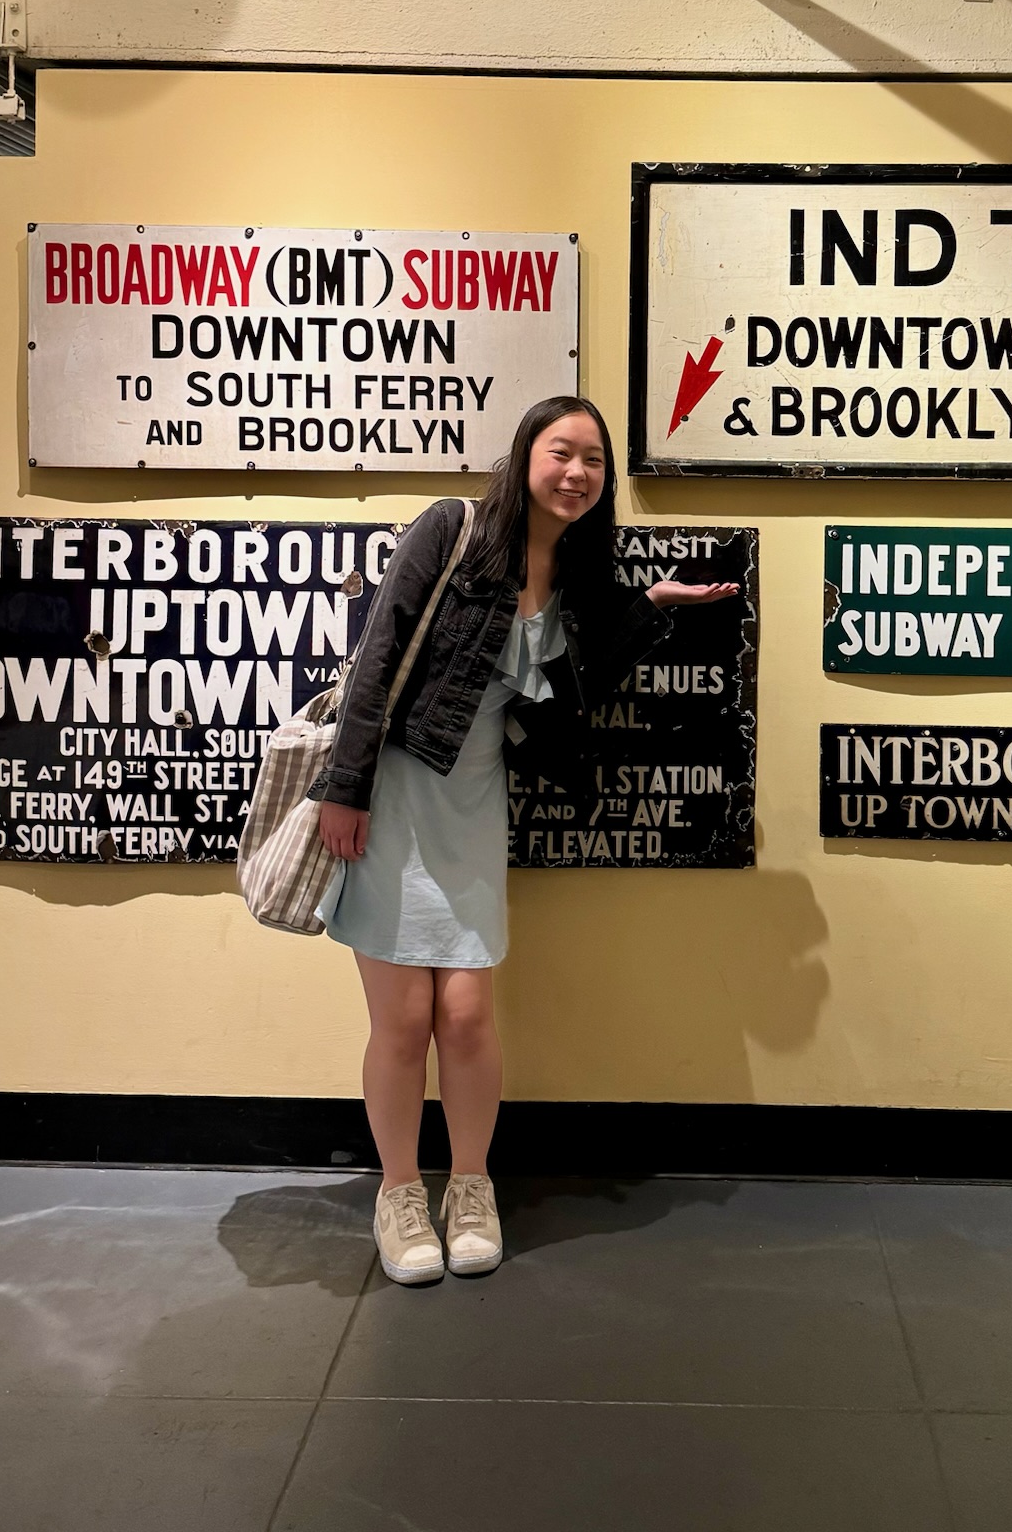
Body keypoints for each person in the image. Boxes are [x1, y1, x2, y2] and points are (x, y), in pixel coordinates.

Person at [310, 395, 738, 1286]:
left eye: (593, 461)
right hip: (391, 801)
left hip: (473, 812)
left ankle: (471, 1186)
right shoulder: (453, 529)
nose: (576, 473)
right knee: (402, 1021)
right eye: (561, 451)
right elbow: (378, 652)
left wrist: (652, 605)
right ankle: (398, 1194)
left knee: (464, 1017)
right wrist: (344, 789)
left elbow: (575, 686)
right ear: (525, 455)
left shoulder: (579, 574)